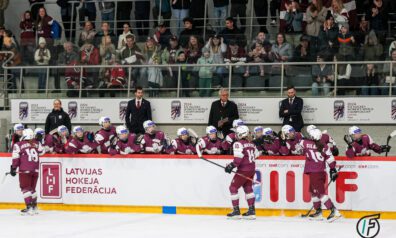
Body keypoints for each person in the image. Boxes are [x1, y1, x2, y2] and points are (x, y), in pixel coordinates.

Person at [300, 128, 341, 221]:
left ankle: (334, 211)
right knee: (314, 192)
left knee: (319, 193)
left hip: (315, 172)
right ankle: (318, 212)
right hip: (321, 172)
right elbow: (330, 158)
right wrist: (333, 169)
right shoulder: (325, 146)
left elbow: (299, 142)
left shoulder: (305, 143)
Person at [225, 125, 259, 219]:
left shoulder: (238, 144)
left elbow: (237, 160)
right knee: (248, 188)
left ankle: (236, 211)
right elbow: (257, 155)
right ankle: (252, 211)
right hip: (251, 169)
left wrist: (230, 166)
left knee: (233, 187)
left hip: (243, 170)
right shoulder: (252, 144)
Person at [10, 128, 45, 215]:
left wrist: (13, 168)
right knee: (32, 189)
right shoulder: (37, 143)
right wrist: (38, 142)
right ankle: (34, 207)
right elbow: (42, 152)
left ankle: (29, 207)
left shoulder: (18, 144)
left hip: (25, 170)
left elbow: (15, 158)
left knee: (25, 188)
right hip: (35, 170)